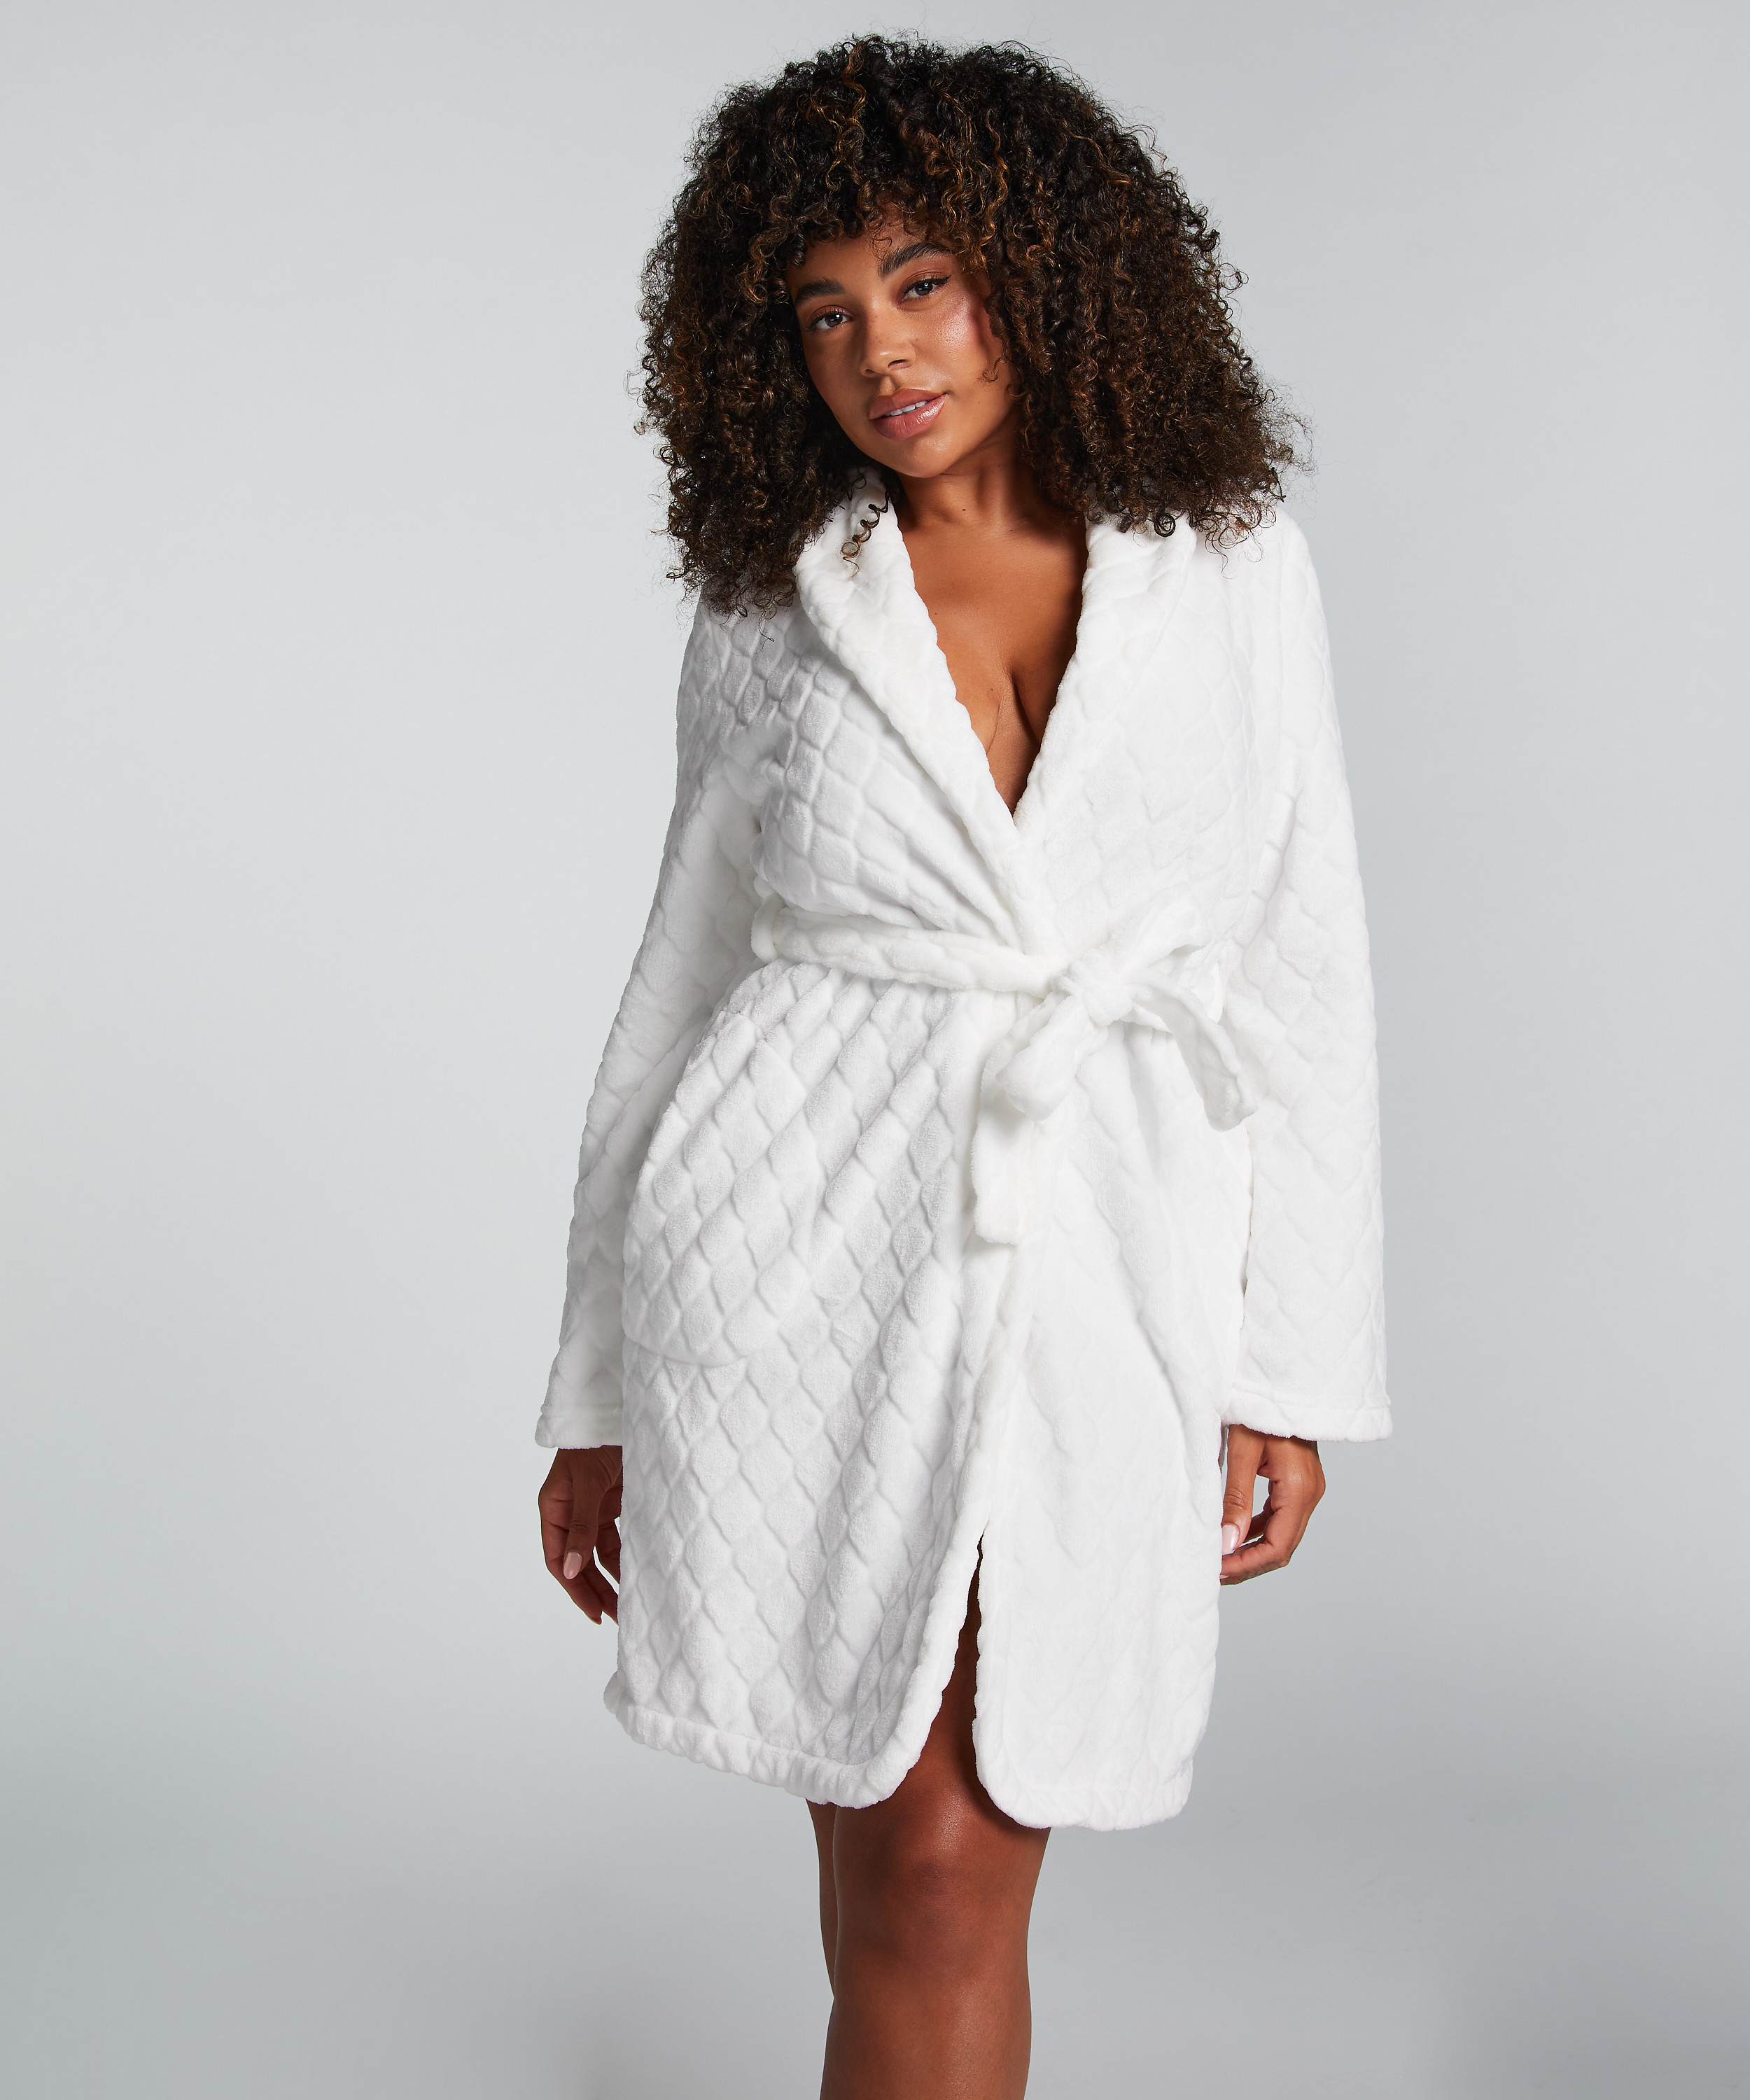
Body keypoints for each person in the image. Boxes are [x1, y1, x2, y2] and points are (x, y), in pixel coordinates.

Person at [535, 35, 1389, 2100]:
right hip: (795, 1252)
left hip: (1097, 1250)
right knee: (895, 1852)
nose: (881, 354)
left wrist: (1289, 1360)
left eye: (922, 282)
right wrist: (597, 1390)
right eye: (823, 312)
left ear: (1042, 269)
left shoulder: (1227, 568)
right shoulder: (778, 605)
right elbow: (678, 988)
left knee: (943, 1859)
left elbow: (1298, 964)